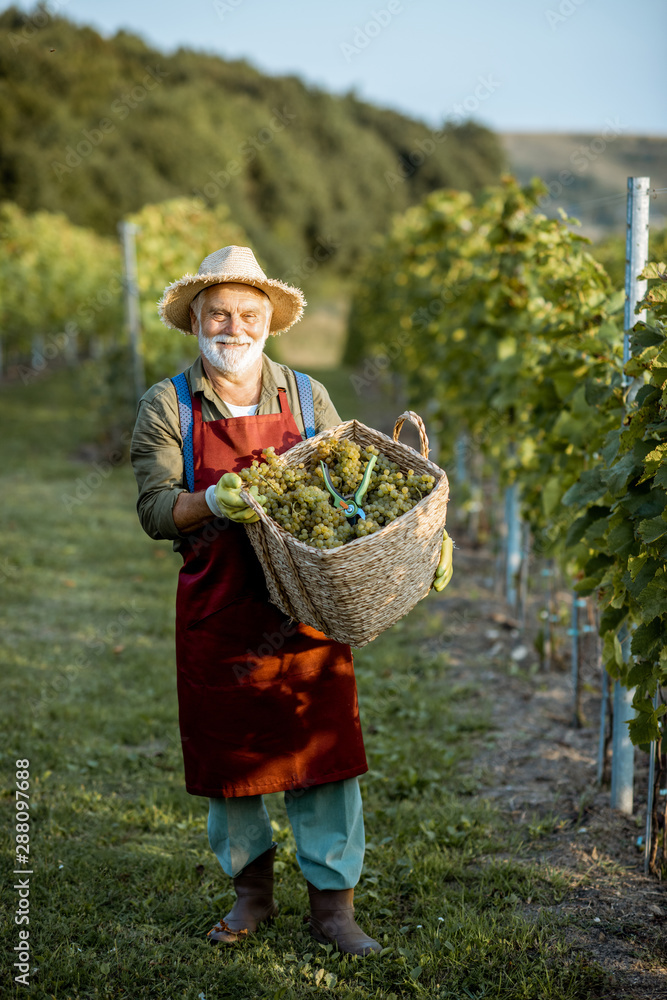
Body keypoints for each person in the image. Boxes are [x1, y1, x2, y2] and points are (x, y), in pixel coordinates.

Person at [130, 245, 382, 955]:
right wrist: (210, 498)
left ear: (268, 323)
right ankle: (251, 897)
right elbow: (153, 509)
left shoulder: (306, 397)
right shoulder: (168, 403)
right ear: (195, 323)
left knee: (323, 752)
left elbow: (351, 488)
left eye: (247, 313)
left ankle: (334, 908)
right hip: (221, 606)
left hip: (306, 606)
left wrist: (416, 539)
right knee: (230, 754)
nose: (232, 326)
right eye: (218, 313)